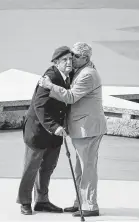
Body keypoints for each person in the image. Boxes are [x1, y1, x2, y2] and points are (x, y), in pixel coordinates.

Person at [38, 42, 106, 217]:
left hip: (88, 128)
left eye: (75, 56)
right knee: (80, 168)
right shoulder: (83, 70)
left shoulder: (88, 75)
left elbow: (71, 97)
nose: (71, 58)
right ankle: (80, 203)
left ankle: (90, 205)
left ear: (85, 58)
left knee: (88, 168)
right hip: (82, 128)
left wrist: (49, 86)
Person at [16, 46, 73, 215]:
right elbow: (39, 105)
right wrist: (54, 127)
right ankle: (25, 202)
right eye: (65, 60)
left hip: (54, 133)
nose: (69, 62)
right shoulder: (50, 77)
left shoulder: (67, 75)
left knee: (48, 167)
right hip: (38, 131)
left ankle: (42, 201)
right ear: (56, 62)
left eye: (71, 59)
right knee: (31, 168)